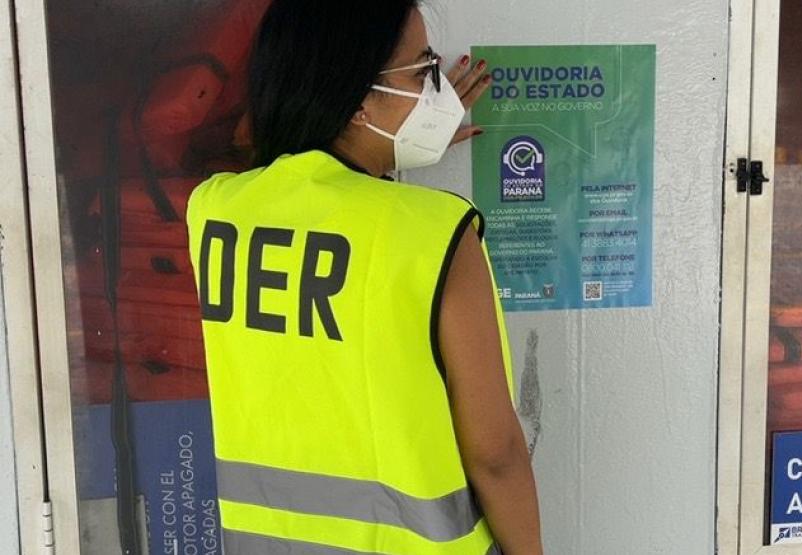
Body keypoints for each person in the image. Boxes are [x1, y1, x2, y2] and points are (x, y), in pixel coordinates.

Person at [185, 1, 543, 553]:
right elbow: (495, 455)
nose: (438, 91)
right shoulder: (436, 233)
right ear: (356, 99)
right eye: (423, 71)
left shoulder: (213, 212)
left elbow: (303, 194)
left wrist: (379, 153)